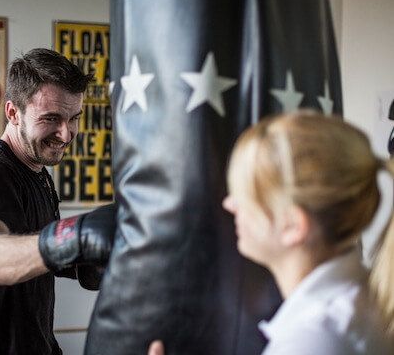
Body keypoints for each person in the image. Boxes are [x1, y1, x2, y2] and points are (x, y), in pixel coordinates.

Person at [149, 110, 394, 354]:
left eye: (244, 195)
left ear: (292, 225)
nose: (229, 204)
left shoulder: (313, 339)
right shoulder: (352, 303)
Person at [0, 48, 115, 354]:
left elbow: (29, 247)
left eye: (74, 118)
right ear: (13, 113)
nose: (66, 134)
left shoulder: (37, 172)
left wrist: (89, 260)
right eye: (51, 118)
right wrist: (75, 237)